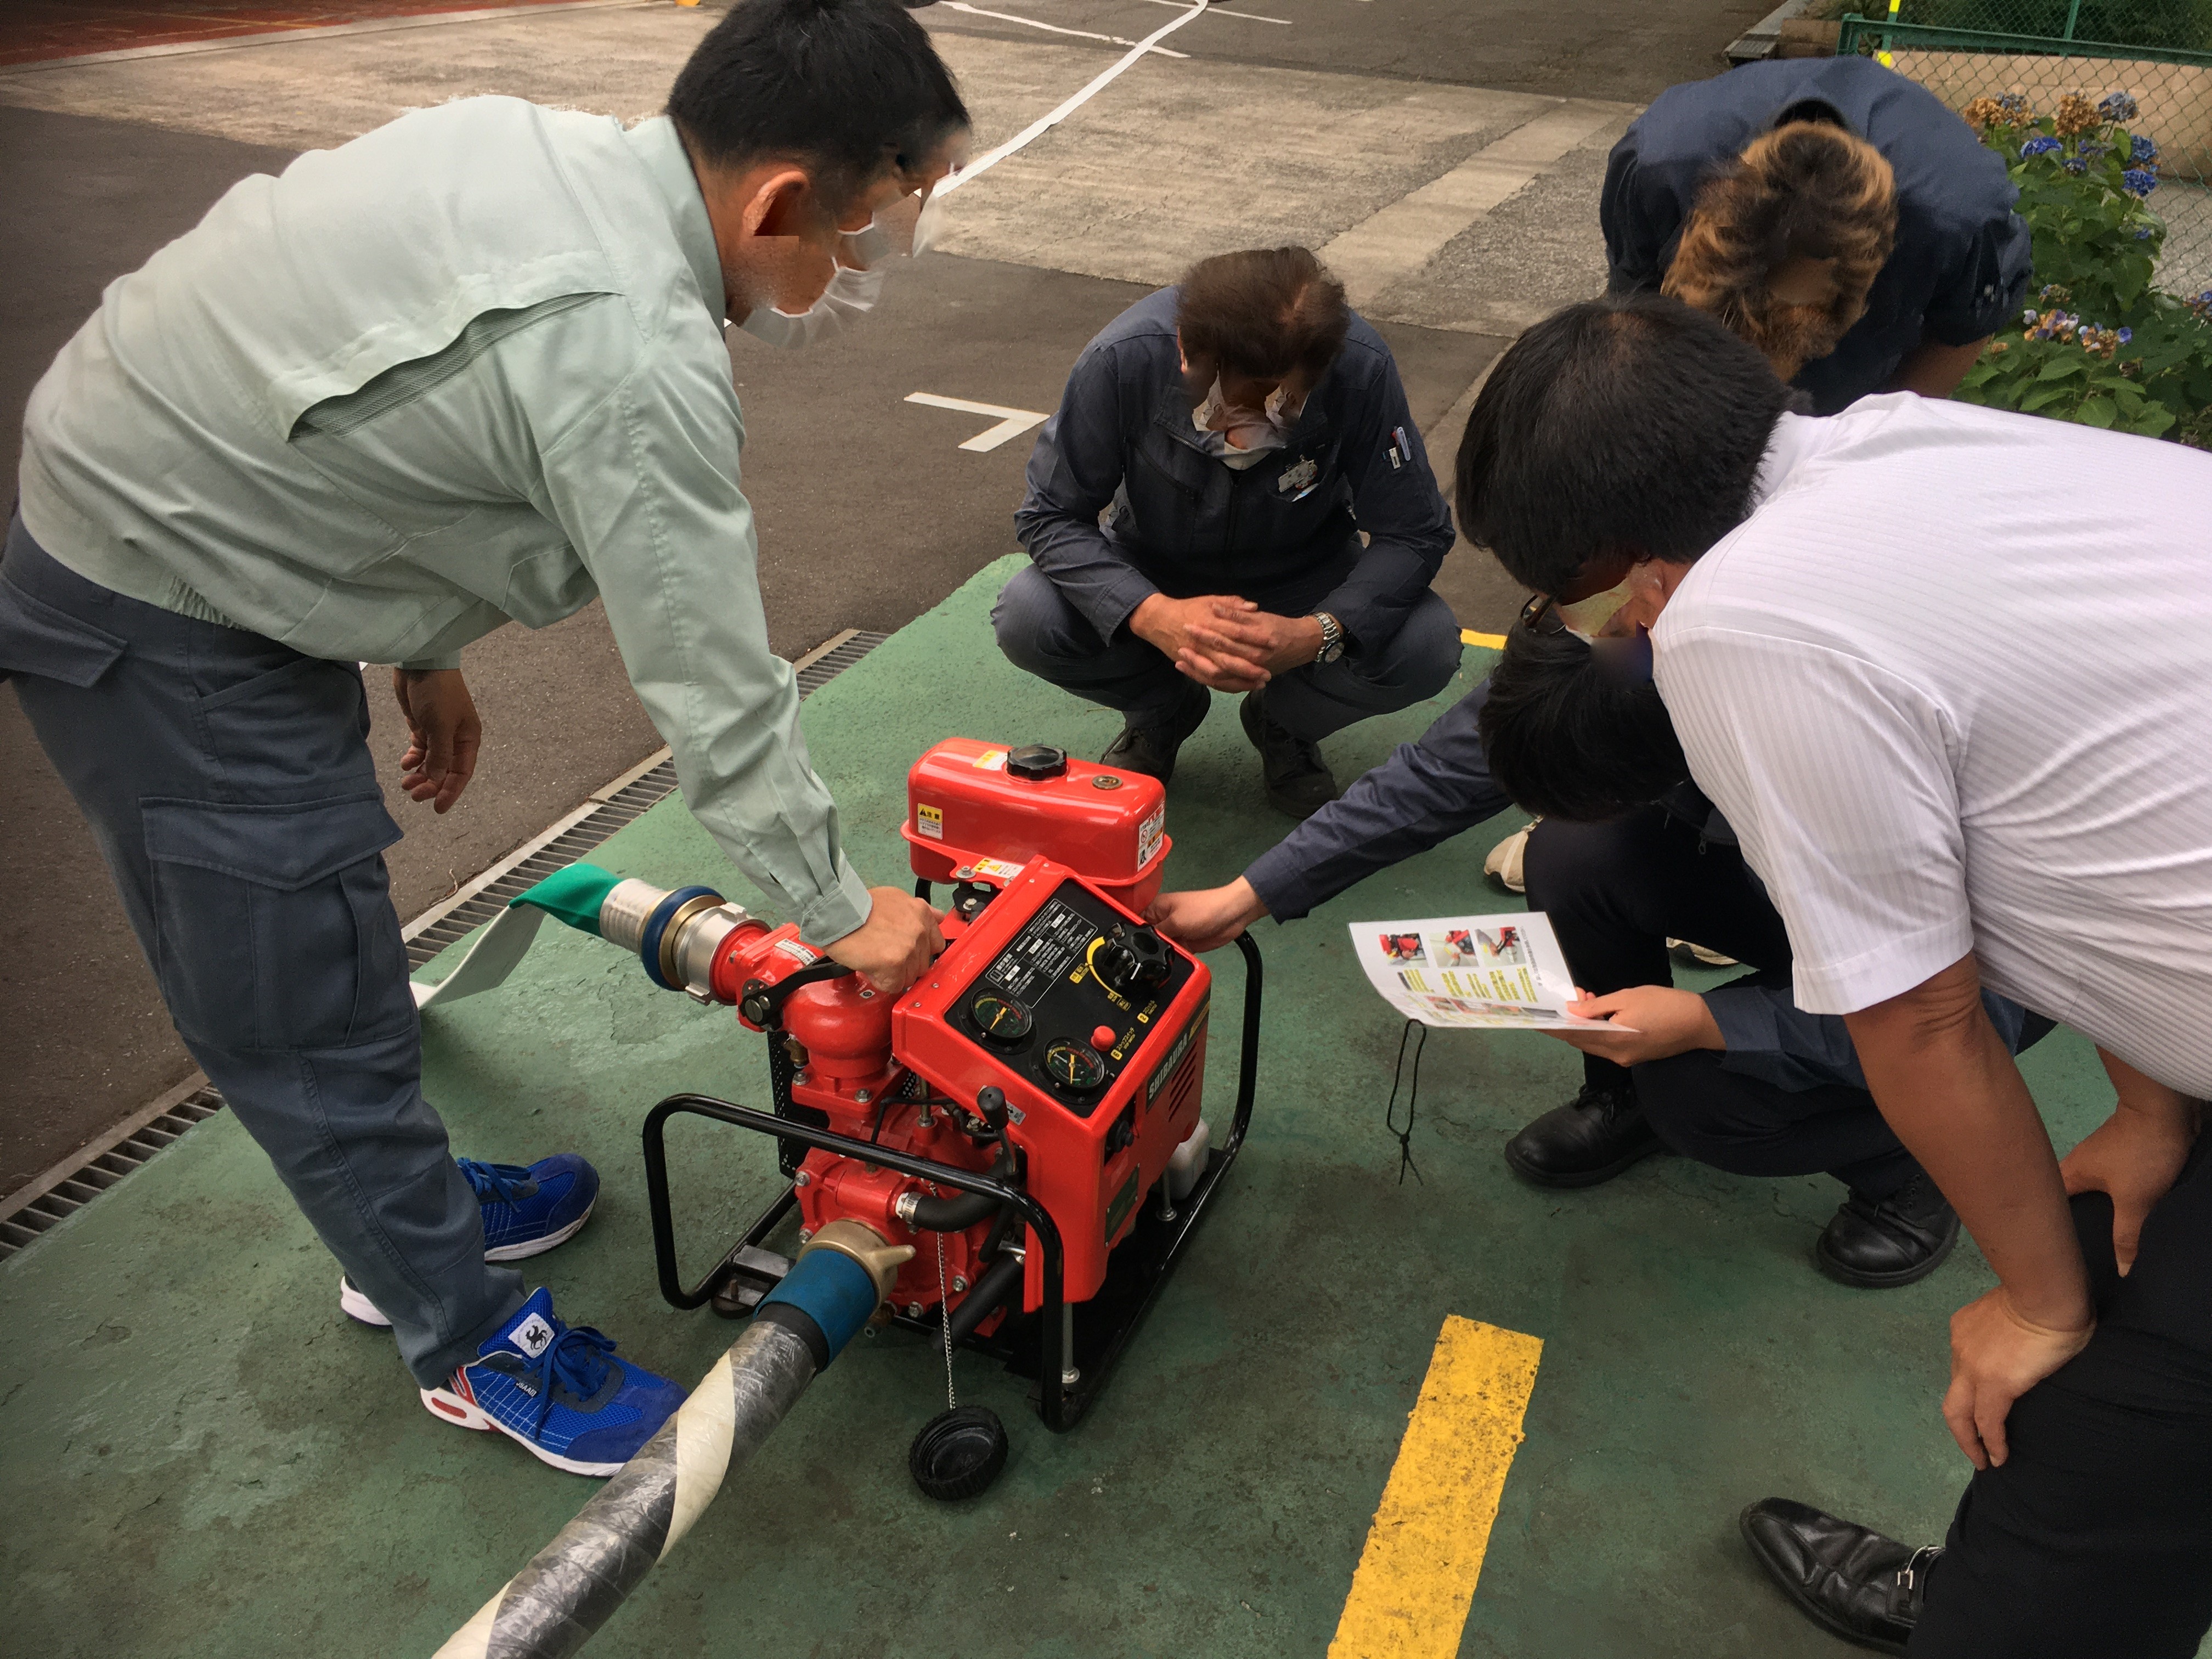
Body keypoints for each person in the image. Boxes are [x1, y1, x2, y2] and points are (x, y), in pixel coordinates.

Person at [0, 0, 962, 1476]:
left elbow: (375, 416)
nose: (850, 270)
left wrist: (421, 642)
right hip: (155, 593)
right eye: (860, 236)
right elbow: (712, 683)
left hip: (206, 511)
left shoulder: (548, 153)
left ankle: (400, 1211)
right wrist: (839, 912)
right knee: (298, 995)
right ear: (777, 200)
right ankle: (455, 1328)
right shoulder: (632, 346)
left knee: (325, 939)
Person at [1458, 289, 2212, 1656]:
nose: (1619, 620)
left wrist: (2037, 1303)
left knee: (2091, 1449)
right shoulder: (1908, 442)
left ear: (1622, 549)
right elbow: (2120, 820)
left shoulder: (1744, 621)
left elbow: (1921, 1014)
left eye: (1581, 591)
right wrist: (2157, 1115)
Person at [1147, 625, 2047, 1286]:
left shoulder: (1849, 778)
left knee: (1708, 1096)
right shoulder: (1633, 635)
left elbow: (1978, 1005)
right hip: (1785, 872)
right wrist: (1247, 894)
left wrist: (1710, 1020)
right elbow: (1442, 770)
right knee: (1576, 853)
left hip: (1989, 964)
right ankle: (1627, 1095)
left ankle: (1904, 1160)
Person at [996, 246, 1461, 819]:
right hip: (1153, 570)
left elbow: (1415, 531)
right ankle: (1162, 709)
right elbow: (1049, 515)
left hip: (1305, 577)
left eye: (1280, 408)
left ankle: (1283, 721)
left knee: (1428, 643)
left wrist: (1319, 632)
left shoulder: (1359, 368)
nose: (1246, 437)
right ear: (1185, 350)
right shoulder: (1120, 360)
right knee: (1027, 615)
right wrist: (1148, 612)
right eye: (1229, 407)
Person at [1602, 55, 2029, 412]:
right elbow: (1632, 321)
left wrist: (1867, 442)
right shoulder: (1655, 169)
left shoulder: (1958, 218)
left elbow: (1963, 331)